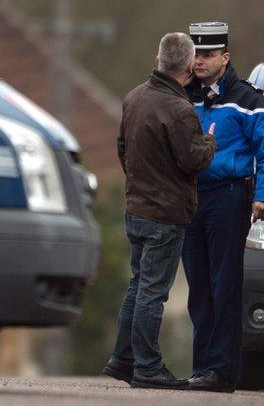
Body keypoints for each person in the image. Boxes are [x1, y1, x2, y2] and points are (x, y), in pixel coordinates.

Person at [105, 32, 216, 389]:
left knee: (138, 286)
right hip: (165, 215)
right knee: (153, 291)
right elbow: (193, 161)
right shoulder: (179, 110)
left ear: (157, 60)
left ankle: (122, 359)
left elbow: (123, 149)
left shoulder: (134, 98)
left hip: (136, 208)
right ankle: (147, 367)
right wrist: (209, 141)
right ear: (188, 67)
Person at [181, 22, 264, 392]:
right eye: (196, 54)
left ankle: (222, 370)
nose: (201, 62)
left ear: (225, 57)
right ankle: (202, 366)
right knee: (199, 288)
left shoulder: (248, 99)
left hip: (227, 197)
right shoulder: (183, 95)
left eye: (208, 55)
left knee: (224, 286)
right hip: (192, 198)